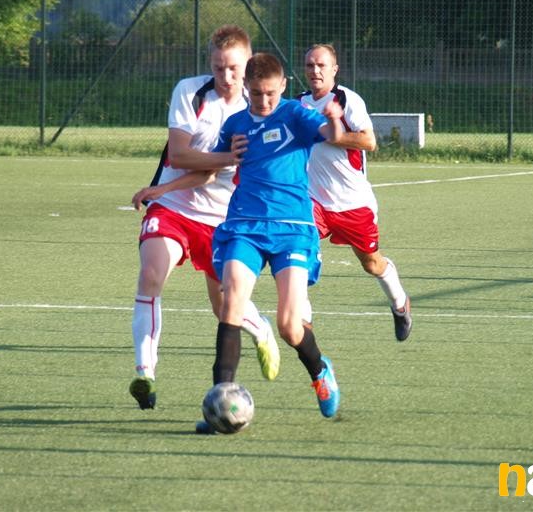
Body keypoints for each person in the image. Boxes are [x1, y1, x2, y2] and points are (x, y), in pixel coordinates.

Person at [128, 25, 280, 411]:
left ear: (249, 64)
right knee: (151, 275)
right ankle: (145, 373)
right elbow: (180, 156)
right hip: (173, 206)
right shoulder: (190, 92)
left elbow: (209, 174)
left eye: (234, 68)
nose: (226, 77)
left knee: (222, 305)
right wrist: (164, 189)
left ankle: (261, 329)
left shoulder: (257, 109)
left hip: (222, 218)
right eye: (218, 68)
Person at [197, 52, 345, 432]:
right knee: (231, 301)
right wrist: (224, 155)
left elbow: (331, 136)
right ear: (246, 88)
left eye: (271, 93)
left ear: (282, 86)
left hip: (292, 228)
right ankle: (219, 400)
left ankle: (319, 371)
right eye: (257, 93)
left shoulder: (295, 114)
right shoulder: (236, 124)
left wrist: (333, 120)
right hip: (244, 225)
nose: (264, 101)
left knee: (290, 327)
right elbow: (216, 163)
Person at [299, 43, 412, 341]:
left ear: (334, 69)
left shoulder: (347, 100)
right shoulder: (298, 104)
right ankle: (302, 329)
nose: (315, 70)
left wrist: (328, 133)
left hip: (352, 203)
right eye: (310, 65)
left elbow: (368, 141)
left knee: (371, 263)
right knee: (297, 257)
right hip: (313, 201)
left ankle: (400, 303)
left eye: (321, 65)